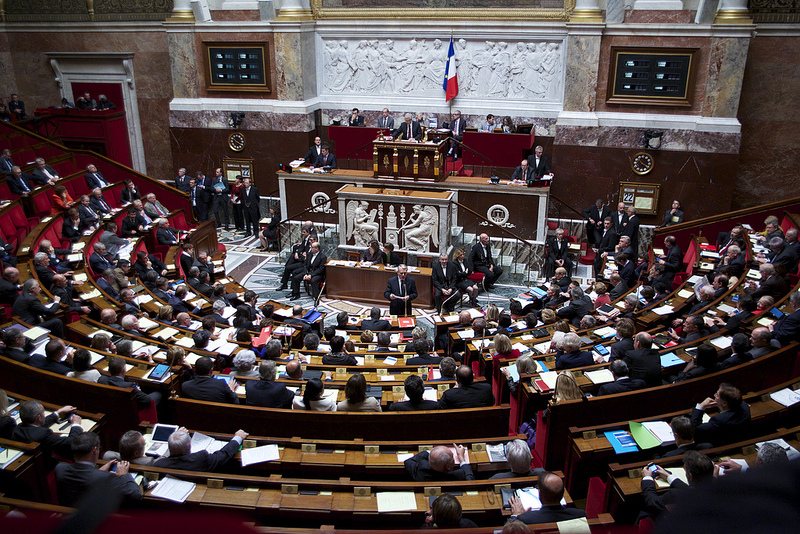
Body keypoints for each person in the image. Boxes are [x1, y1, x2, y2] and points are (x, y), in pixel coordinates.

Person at [55, 431, 141, 507]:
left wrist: (97, 472)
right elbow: (135, 496)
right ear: (95, 450)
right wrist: (124, 475)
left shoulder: (60, 469)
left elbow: (83, 480)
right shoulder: (106, 478)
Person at [640, 450, 714, 521]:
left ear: (690, 476)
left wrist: (647, 478)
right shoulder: (717, 489)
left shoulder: (675, 494)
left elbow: (652, 502)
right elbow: (688, 490)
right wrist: (669, 476)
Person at [13, 400, 83, 466]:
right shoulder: (43, 434)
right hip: (49, 465)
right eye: (43, 413)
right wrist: (76, 424)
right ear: (39, 417)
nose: (44, 414)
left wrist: (58, 412)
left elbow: (39, 424)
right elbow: (71, 442)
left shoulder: (18, 428)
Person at [509, 471, 586, 525]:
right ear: (563, 494)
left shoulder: (525, 520)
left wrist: (516, 515)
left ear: (540, 494)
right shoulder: (580, 516)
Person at [154, 428, 248, 471]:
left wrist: (177, 437)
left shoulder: (159, 465)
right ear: (189, 446)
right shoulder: (200, 458)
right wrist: (237, 438)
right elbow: (223, 454)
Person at [404, 444, 475, 481]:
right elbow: (470, 479)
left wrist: (432, 452)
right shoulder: (458, 475)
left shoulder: (421, 469)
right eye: (452, 456)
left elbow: (408, 462)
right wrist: (462, 458)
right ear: (447, 467)